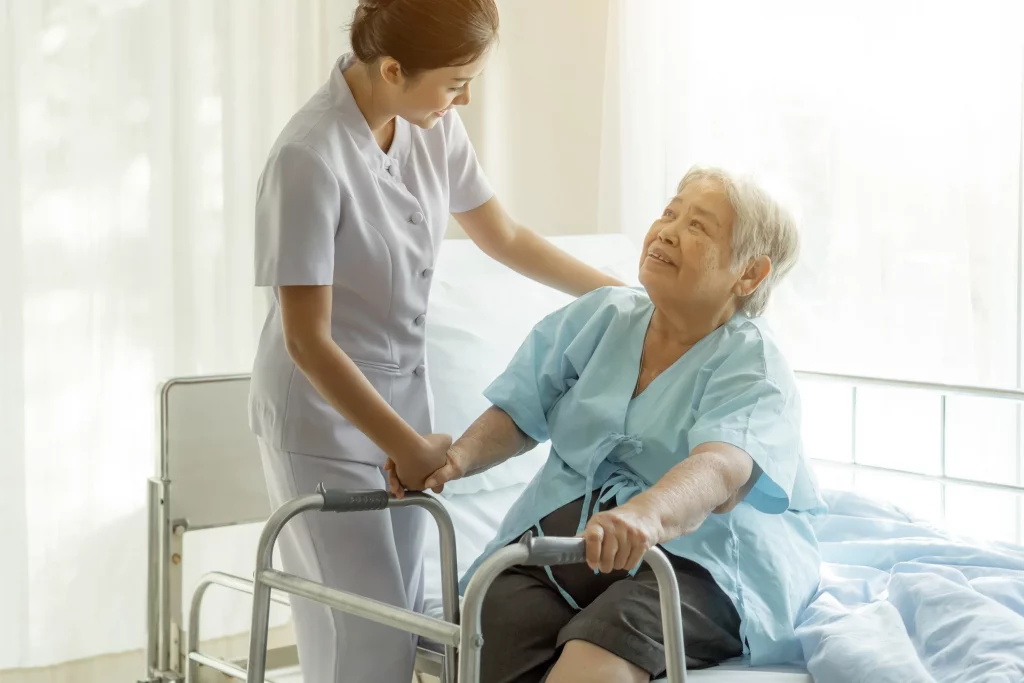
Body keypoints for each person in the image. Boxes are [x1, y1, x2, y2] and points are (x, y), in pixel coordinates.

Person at [247, 1, 624, 681]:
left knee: (408, 622)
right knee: (362, 635)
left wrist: (623, 296)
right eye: (455, 81)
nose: (466, 97)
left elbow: (505, 238)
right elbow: (307, 340)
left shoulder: (432, 126)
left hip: (402, 406)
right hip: (322, 419)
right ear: (392, 68)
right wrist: (407, 445)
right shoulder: (309, 155)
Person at [395, 166, 825, 682]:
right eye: (670, 213)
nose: (667, 230)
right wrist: (455, 460)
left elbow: (720, 468)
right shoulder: (601, 317)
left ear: (749, 275)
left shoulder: (753, 364)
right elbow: (520, 409)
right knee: (489, 627)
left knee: (598, 651)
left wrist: (646, 515)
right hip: (574, 545)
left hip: (699, 561)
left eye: (698, 226)